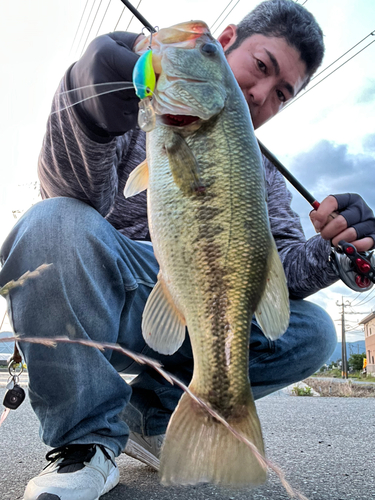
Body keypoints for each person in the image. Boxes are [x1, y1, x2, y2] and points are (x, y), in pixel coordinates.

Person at [1, 0, 374, 499]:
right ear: (224, 44)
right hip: (106, 302)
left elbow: (280, 266)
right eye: (262, 67)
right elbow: (73, 199)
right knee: (49, 223)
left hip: (197, 317)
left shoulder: (264, 175)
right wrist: (89, 112)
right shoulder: (133, 113)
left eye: (282, 94)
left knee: (314, 331)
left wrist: (335, 252)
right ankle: (84, 441)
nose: (262, 94)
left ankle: (150, 415)